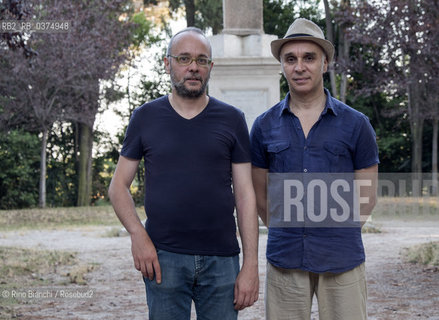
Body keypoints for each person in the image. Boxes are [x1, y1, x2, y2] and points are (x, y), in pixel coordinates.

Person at [108, 27, 259, 320]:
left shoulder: (232, 119)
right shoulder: (145, 117)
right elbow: (118, 187)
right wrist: (138, 235)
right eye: (184, 58)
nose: (193, 67)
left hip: (222, 260)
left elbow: (245, 195)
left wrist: (250, 264)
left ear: (210, 68)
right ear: (167, 64)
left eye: (202, 60)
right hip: (163, 258)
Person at [250, 18, 379, 320]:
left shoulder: (356, 124)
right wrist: (290, 228)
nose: (299, 66)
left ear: (325, 63)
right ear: (282, 65)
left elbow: (366, 196)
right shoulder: (264, 126)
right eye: (290, 59)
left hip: (342, 258)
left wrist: (332, 231)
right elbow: (260, 196)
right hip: (285, 258)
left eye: (309, 58)